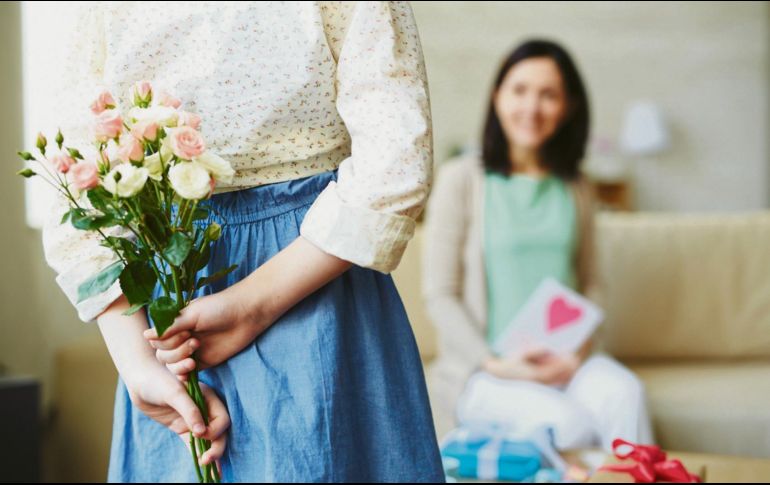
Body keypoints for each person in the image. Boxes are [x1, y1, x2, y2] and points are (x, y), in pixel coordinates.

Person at [42, 2, 445, 482]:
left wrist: (252, 305)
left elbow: (396, 162)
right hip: (169, 326)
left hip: (316, 293)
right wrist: (138, 365)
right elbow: (76, 175)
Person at [422, 39, 654, 451]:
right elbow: (440, 294)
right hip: (486, 371)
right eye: (520, 90)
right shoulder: (462, 179)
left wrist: (578, 351)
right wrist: (496, 364)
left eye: (548, 95)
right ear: (497, 96)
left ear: (567, 108)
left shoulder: (576, 186)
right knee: (567, 426)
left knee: (626, 392)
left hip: (565, 360)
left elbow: (592, 282)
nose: (532, 107)